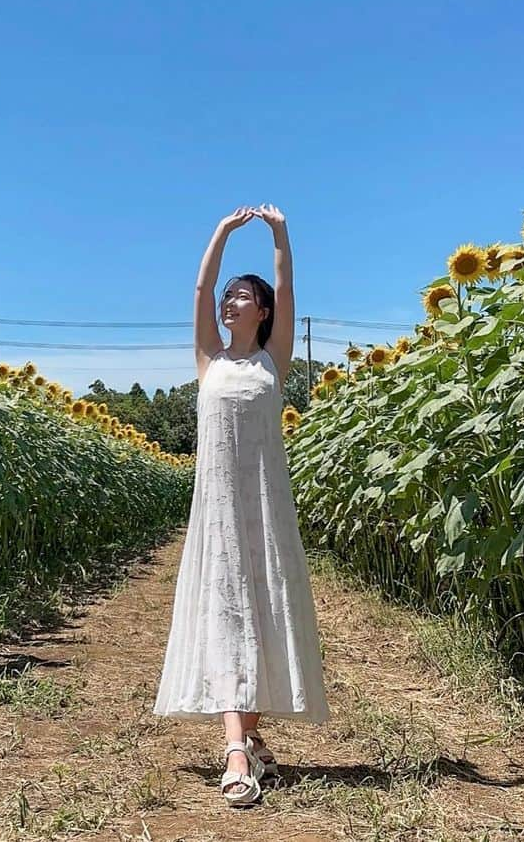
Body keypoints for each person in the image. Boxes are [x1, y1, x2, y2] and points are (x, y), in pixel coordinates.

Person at [152, 203, 330, 807]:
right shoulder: (209, 359)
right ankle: (235, 748)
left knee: (259, 607)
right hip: (219, 510)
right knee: (227, 608)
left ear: (263, 312)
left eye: (241, 297)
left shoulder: (271, 360)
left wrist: (280, 233)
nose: (229, 303)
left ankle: (249, 736)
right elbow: (200, 287)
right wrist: (223, 233)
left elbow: (286, 281)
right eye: (227, 298)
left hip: (266, 506)